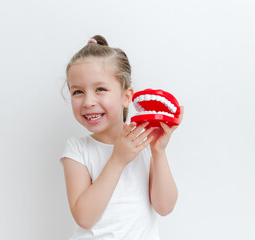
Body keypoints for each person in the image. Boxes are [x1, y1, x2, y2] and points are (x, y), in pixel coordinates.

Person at [60, 35, 184, 240]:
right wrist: (117, 160)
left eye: (100, 89)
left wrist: (158, 152)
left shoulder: (144, 142)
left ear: (126, 97)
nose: (89, 101)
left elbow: (164, 207)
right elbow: (84, 217)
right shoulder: (77, 150)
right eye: (78, 91)